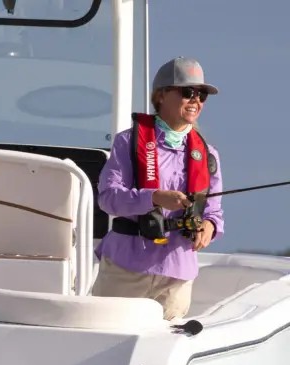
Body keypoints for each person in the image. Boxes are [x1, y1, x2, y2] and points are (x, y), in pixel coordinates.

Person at [91, 56, 224, 320]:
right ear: (161, 96)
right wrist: (154, 198)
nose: (196, 100)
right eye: (187, 92)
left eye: (202, 95)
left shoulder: (209, 155)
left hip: (176, 276)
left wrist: (208, 227)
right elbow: (108, 198)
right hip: (125, 269)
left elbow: (214, 213)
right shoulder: (127, 142)